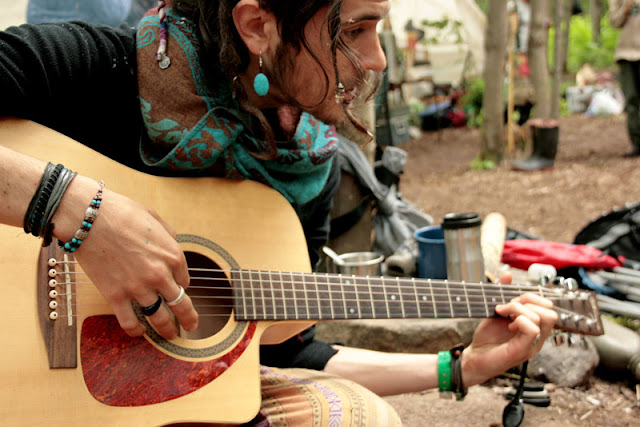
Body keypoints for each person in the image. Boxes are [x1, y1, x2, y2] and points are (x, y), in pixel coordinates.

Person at [0, 0, 558, 424]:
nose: (377, 59)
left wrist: (459, 367)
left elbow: (288, 353)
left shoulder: (307, 166)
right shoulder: (93, 68)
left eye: (378, 30)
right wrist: (76, 210)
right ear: (256, 26)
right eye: (354, 31)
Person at [609, 0, 640, 158]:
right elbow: (614, 22)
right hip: (626, 53)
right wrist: (626, 7)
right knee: (631, 99)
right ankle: (637, 143)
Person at [26, 0, 133, 27]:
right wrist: (88, 21)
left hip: (99, 52)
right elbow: (34, 17)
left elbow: (114, 15)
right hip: (57, 51)